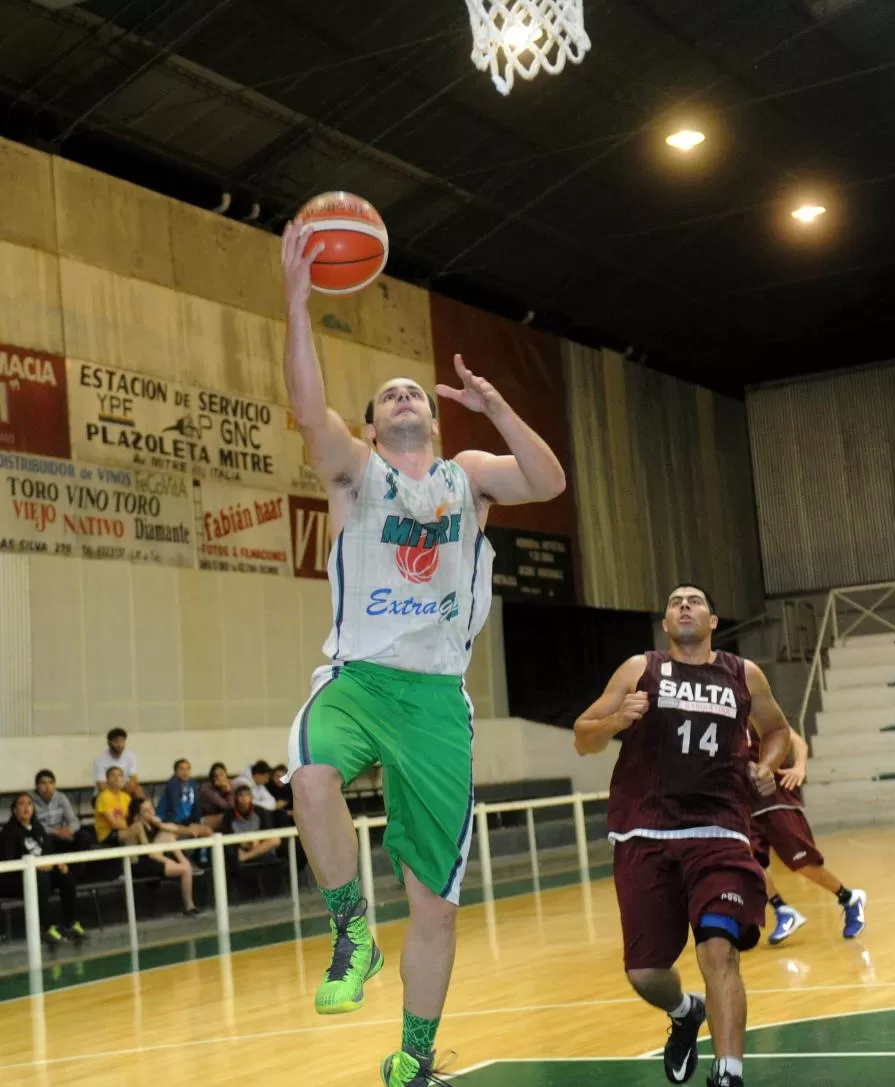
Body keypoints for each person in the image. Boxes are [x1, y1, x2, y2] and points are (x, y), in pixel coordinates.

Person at [279, 218, 566, 1087]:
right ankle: (350, 926)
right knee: (309, 773)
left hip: (440, 697)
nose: (406, 395)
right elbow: (305, 409)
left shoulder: (469, 474)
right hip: (359, 678)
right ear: (370, 423)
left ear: (437, 420)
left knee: (436, 908)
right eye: (390, 394)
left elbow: (549, 481)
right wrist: (297, 298)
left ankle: (412, 1055)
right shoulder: (356, 473)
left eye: (418, 392)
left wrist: (500, 406)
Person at [574, 585, 792, 1087]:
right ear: (667, 625)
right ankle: (684, 1011)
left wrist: (768, 763)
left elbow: (777, 729)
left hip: (720, 831)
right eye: (675, 603)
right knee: (645, 974)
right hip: (644, 833)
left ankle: (729, 1074)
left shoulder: (744, 674)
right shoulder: (639, 669)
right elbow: (584, 736)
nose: (685, 606)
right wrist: (615, 719)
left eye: (694, 600)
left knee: (718, 949)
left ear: (713, 620)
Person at [747, 725, 867, 944]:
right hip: (745, 802)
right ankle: (783, 911)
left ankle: (849, 898)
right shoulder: (718, 712)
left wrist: (800, 766)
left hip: (776, 796)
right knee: (749, 863)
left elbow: (797, 741)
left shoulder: (757, 709)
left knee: (801, 863)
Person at [0, 793, 86, 945]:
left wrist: (57, 864)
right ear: (14, 810)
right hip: (15, 879)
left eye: (29, 804)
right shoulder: (9, 832)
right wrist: (35, 866)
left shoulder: (38, 828)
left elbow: (49, 852)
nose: (26, 807)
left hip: (41, 874)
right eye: (21, 804)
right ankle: (45, 928)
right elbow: (9, 860)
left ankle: (69, 923)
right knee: (41, 878)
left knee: (65, 875)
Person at [127, 799, 200, 915]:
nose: (151, 812)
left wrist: (160, 825)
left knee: (168, 834)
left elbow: (182, 830)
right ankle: (189, 906)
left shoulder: (154, 823)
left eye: (151, 808)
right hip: (142, 863)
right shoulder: (137, 825)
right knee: (185, 869)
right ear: (138, 814)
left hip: (155, 858)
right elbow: (147, 850)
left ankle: (184, 863)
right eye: (146, 811)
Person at [220, 785, 282, 867]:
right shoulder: (229, 815)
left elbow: (269, 832)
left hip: (258, 845)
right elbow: (227, 838)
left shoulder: (261, 811)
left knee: (275, 840)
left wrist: (258, 840)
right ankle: (246, 856)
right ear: (236, 798)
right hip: (240, 847)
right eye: (241, 795)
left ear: (252, 798)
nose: (244, 798)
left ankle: (245, 857)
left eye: (247, 795)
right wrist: (244, 843)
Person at [31, 770, 89, 853]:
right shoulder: (31, 800)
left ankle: (79, 865)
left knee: (84, 837)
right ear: (37, 786)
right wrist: (55, 832)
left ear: (54, 785)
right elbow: (34, 826)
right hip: (45, 835)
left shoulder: (61, 797)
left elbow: (74, 821)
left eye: (51, 783)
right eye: (43, 783)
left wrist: (69, 830)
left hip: (63, 833)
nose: (47, 786)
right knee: (47, 841)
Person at [94, 766, 141, 845]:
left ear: (123, 779)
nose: (116, 778)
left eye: (119, 775)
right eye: (113, 775)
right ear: (107, 779)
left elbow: (132, 816)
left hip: (124, 830)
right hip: (108, 834)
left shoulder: (126, 797)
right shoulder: (104, 797)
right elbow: (114, 824)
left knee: (139, 829)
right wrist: (132, 827)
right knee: (136, 830)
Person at [93, 728, 143, 799]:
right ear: (109, 743)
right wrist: (116, 795)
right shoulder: (100, 759)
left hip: (125, 790)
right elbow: (101, 785)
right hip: (106, 792)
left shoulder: (130, 755)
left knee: (138, 791)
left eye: (122, 741)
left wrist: (122, 795)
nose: (119, 745)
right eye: (116, 741)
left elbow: (134, 779)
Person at [200, 762, 234, 829]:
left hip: (221, 816)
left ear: (226, 775)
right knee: (228, 817)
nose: (219, 778)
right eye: (216, 775)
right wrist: (228, 793)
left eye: (222, 774)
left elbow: (233, 806)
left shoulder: (230, 784)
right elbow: (225, 806)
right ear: (212, 777)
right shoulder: (207, 789)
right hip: (205, 819)